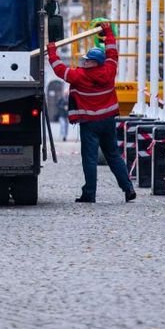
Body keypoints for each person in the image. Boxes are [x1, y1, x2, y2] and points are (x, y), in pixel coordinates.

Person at [46, 22, 135, 204]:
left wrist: (52, 51)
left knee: (89, 159)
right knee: (113, 155)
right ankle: (128, 189)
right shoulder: (109, 71)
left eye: (87, 60)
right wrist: (108, 33)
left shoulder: (79, 76)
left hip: (90, 124)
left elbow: (59, 69)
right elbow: (112, 53)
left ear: (94, 62)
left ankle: (89, 193)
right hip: (108, 121)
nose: (84, 62)